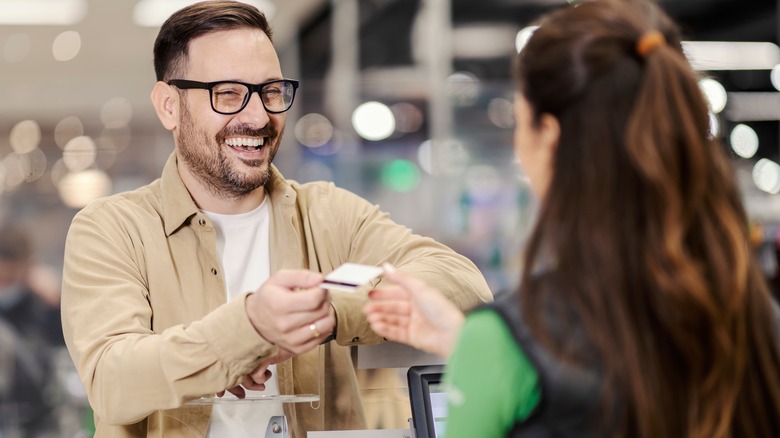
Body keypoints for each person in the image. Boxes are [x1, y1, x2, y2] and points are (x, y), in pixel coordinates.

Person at [59, 1, 492, 437]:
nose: (258, 116)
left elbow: (463, 285)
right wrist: (247, 330)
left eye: (271, 91)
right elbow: (110, 379)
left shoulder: (327, 213)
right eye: (227, 93)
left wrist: (332, 313)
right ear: (168, 105)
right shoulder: (113, 228)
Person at [364, 0, 780, 437]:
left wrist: (488, 353)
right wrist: (473, 347)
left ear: (551, 137)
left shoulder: (508, 341)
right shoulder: (753, 314)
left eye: (521, 122)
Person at [0, 224, 65, 437]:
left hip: (40, 424)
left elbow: (66, 348)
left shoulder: (42, 306)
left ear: (29, 267)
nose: (4, 287)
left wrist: (57, 305)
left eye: (9, 279)